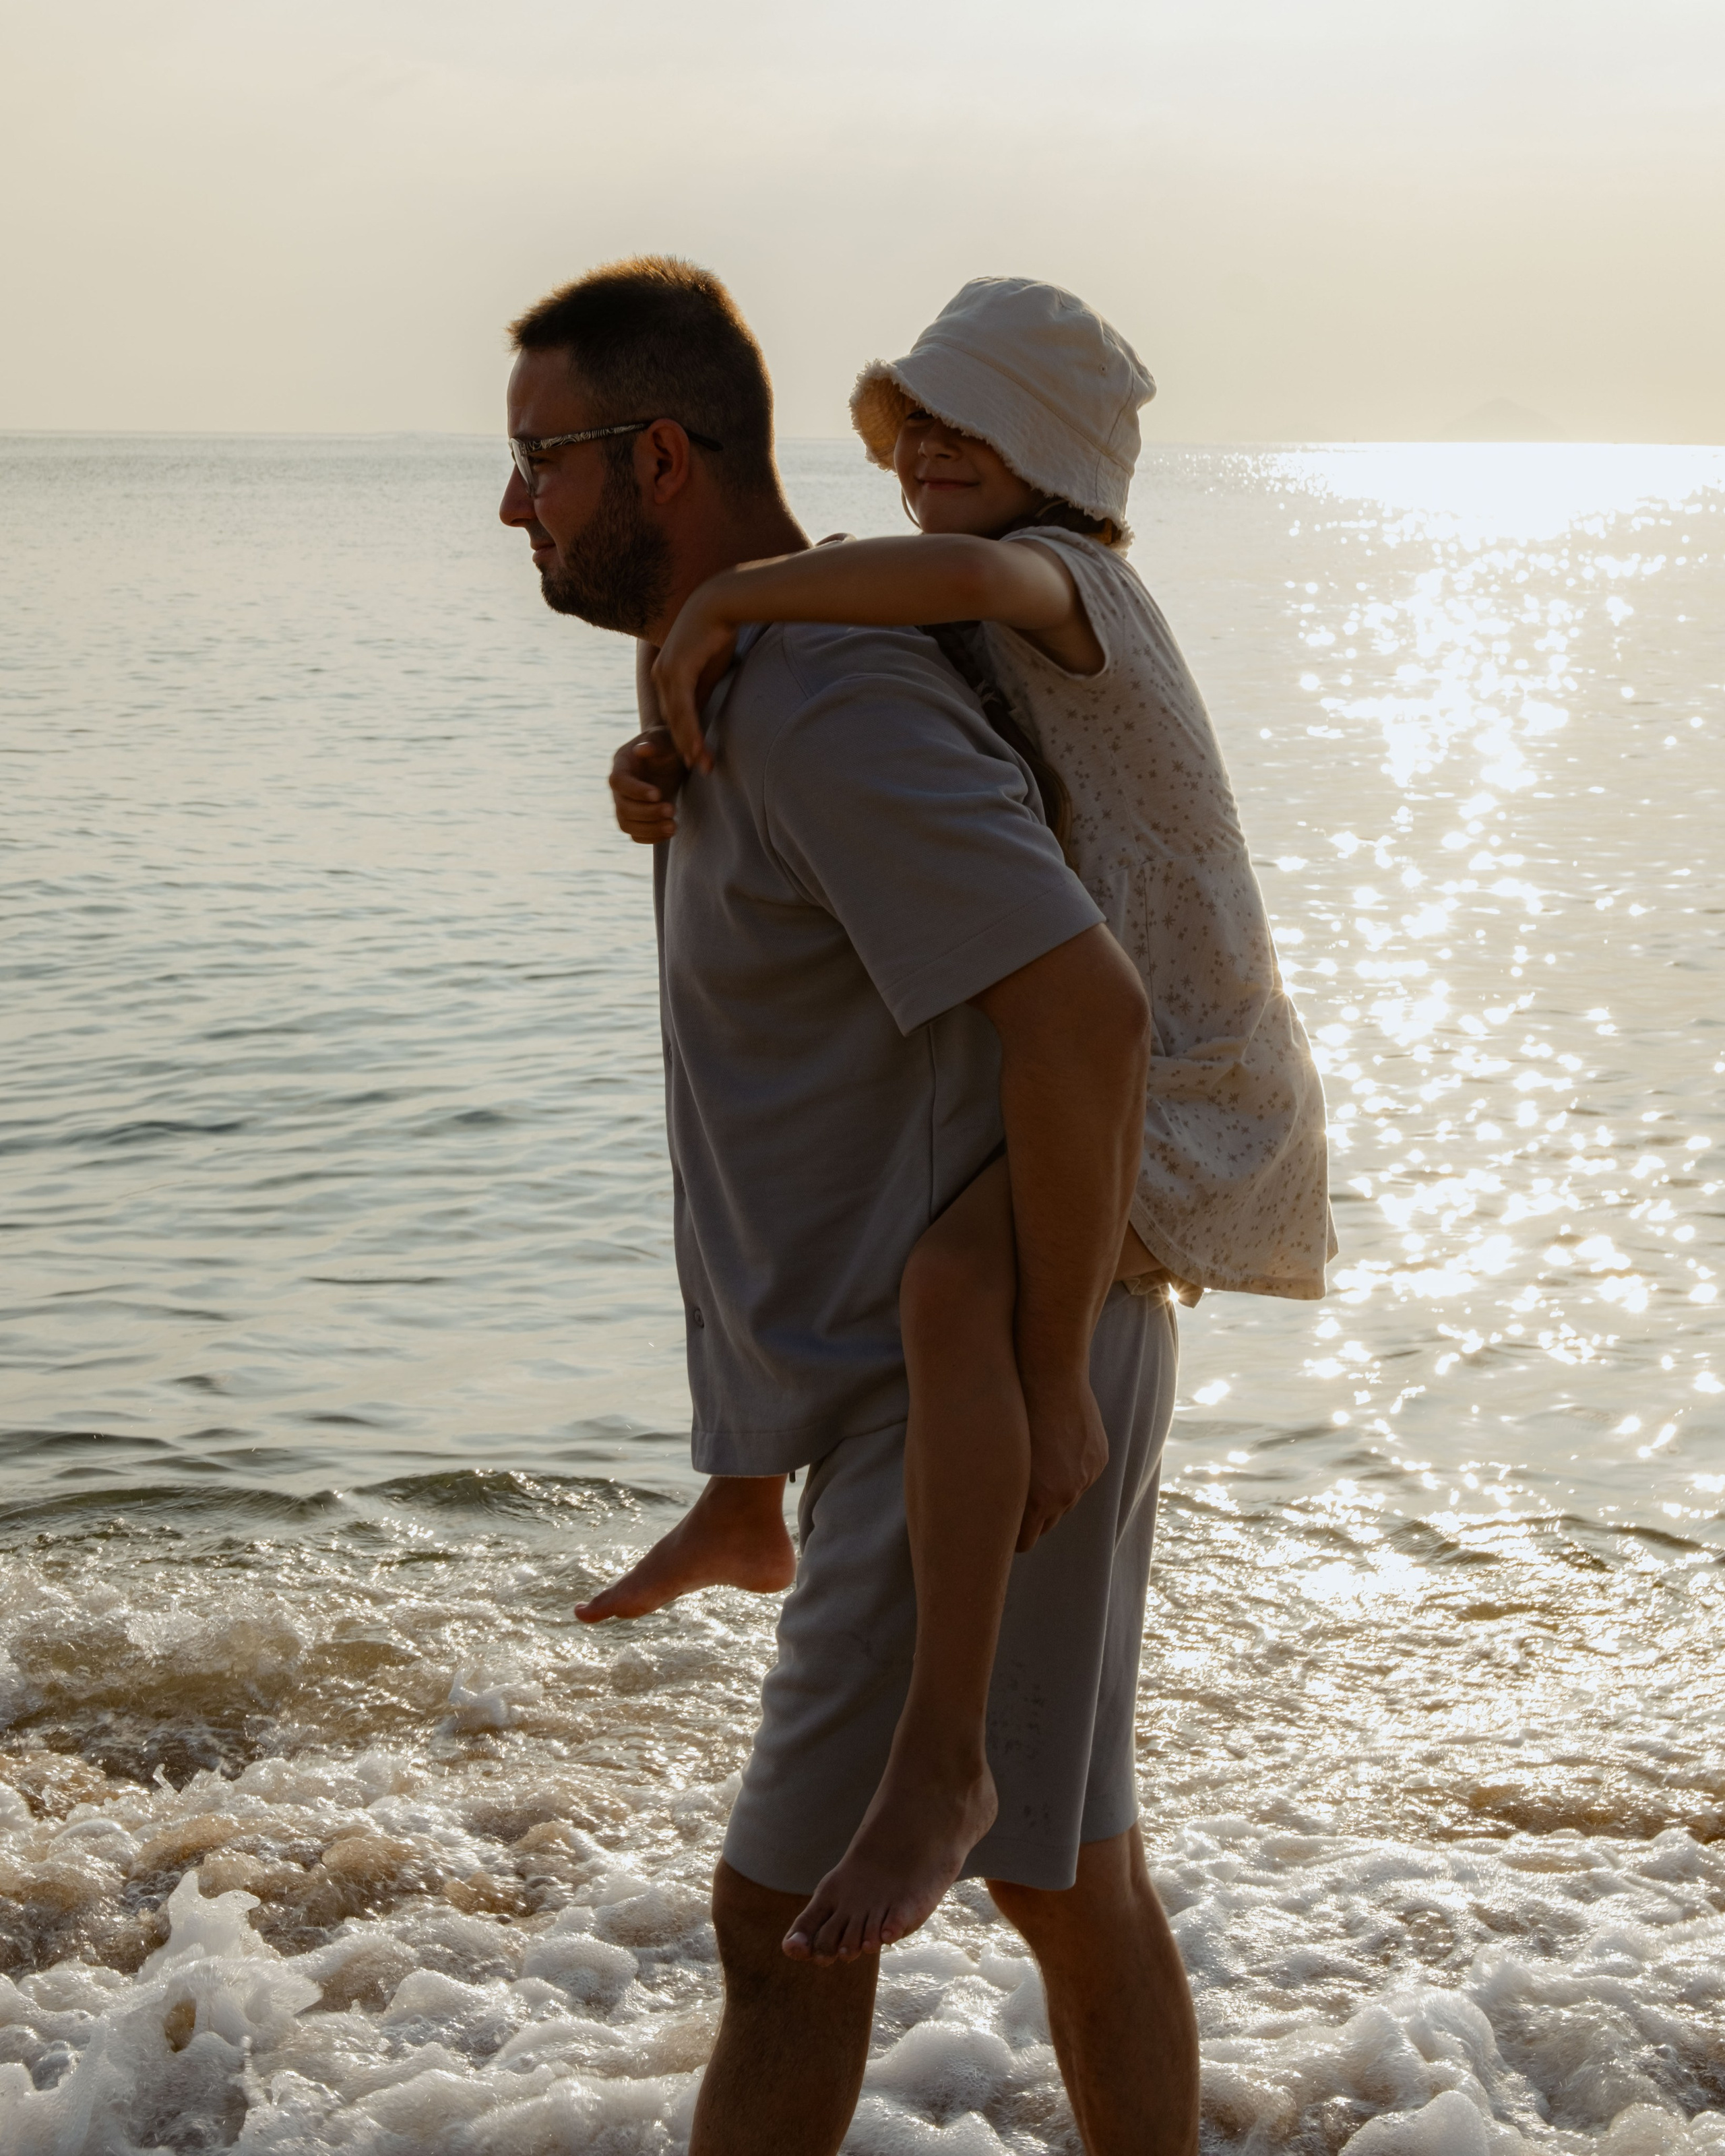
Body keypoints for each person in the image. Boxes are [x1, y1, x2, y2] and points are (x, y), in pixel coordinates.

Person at [500, 255, 1202, 2156]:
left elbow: (1083, 1015)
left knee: (782, 1927)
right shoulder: (747, 690)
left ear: (655, 456)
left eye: (540, 463)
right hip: (949, 1376)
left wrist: (1040, 1363)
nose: (510, 509)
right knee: (1071, 1881)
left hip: (968, 1387)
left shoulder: (819, 696)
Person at [592, 277, 1335, 1966]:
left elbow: (941, 584)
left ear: (1051, 460)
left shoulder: (1060, 576)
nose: (922, 452)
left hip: (1191, 1082)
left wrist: (730, 600)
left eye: (964, 424)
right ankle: (750, 1504)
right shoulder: (962, 620)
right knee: (938, 1293)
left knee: (953, 1298)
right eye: (905, 421)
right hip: (1157, 1060)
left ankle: (939, 1767)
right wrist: (658, 748)